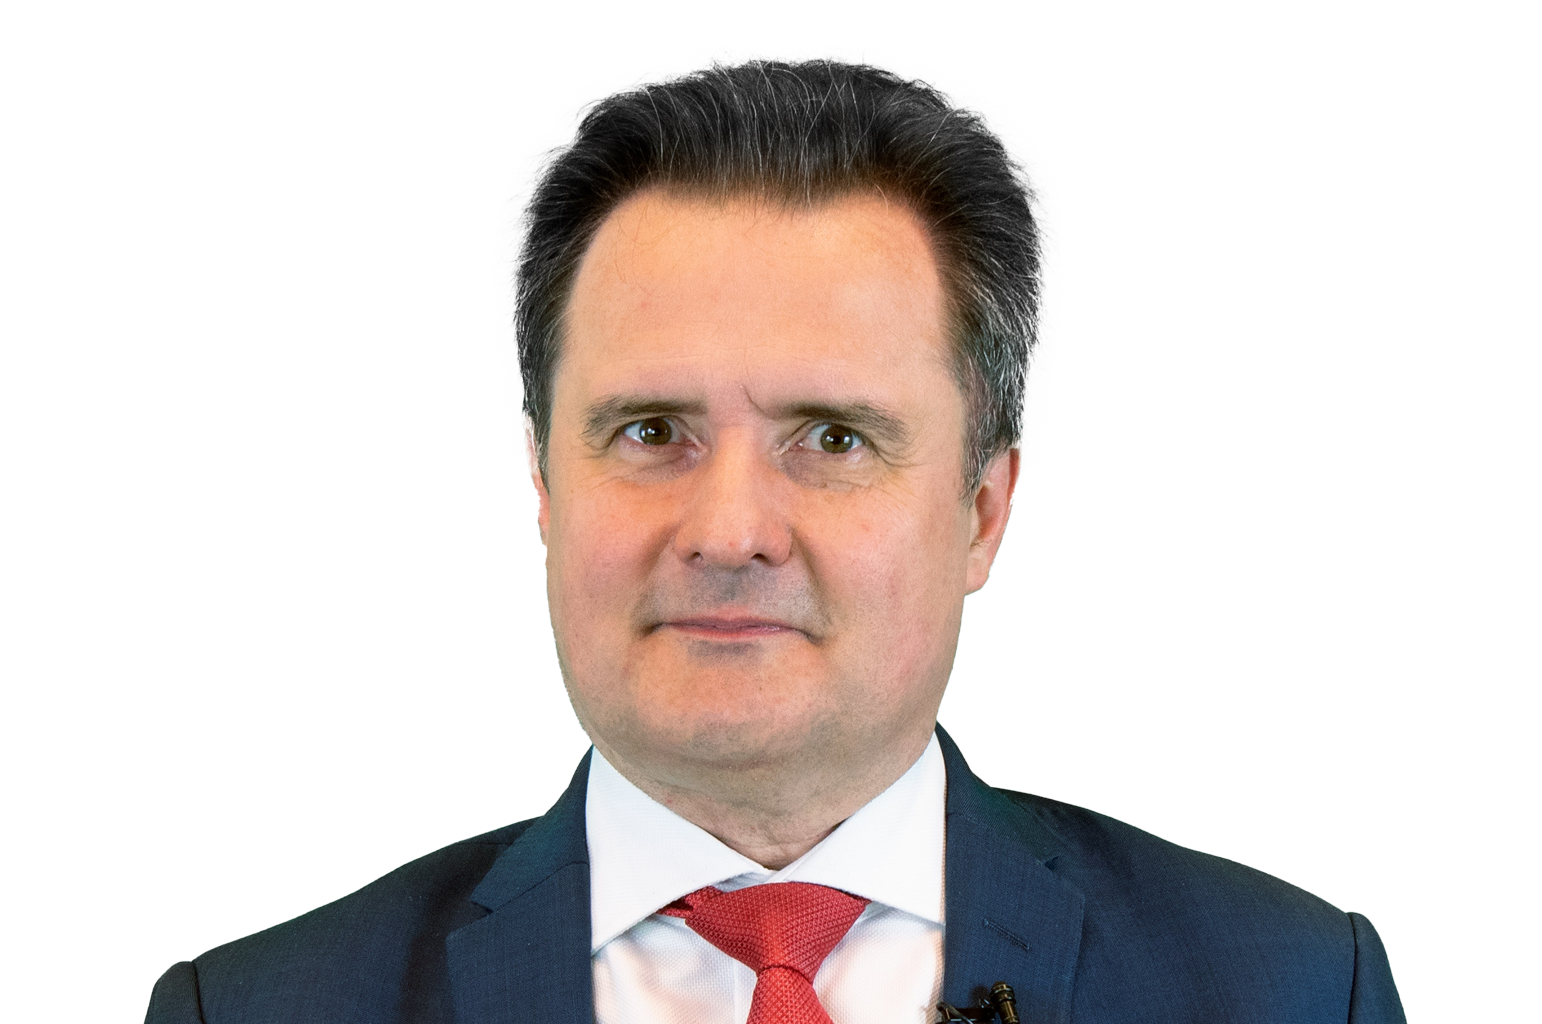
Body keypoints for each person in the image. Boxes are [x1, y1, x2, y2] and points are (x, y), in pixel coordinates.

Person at [145, 57, 1404, 1024]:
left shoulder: (1294, 991)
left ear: (980, 509)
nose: (730, 530)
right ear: (543, 480)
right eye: (650, 431)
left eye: (834, 438)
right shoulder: (253, 1010)